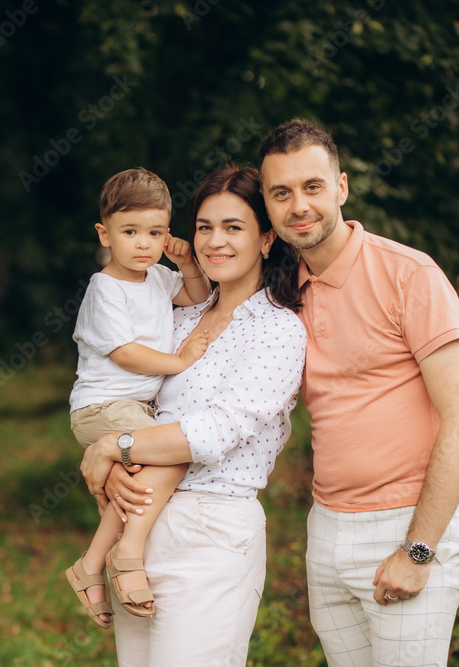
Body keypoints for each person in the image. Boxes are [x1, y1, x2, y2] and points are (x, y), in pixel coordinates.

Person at [258, 118, 459, 666]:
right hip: (327, 528)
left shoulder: (409, 275)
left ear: (341, 187)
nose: (299, 206)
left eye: (312, 187)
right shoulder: (285, 294)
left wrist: (419, 548)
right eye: (280, 193)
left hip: (407, 523)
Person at [81, 164, 306, 666]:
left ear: (267, 239)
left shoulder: (277, 329)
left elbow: (219, 430)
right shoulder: (178, 316)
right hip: (139, 523)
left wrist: (113, 448)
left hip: (211, 531)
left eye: (233, 227)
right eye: (204, 226)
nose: (214, 241)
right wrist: (114, 459)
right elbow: (124, 392)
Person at [64, 167, 213, 629]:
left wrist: (188, 264)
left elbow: (197, 294)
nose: (144, 244)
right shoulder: (104, 288)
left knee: (136, 481)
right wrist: (181, 359)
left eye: (156, 233)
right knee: (176, 450)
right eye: (130, 232)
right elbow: (127, 355)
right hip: (100, 408)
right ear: (104, 234)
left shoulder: (158, 277)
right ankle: (126, 553)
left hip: (129, 411)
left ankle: (89, 565)